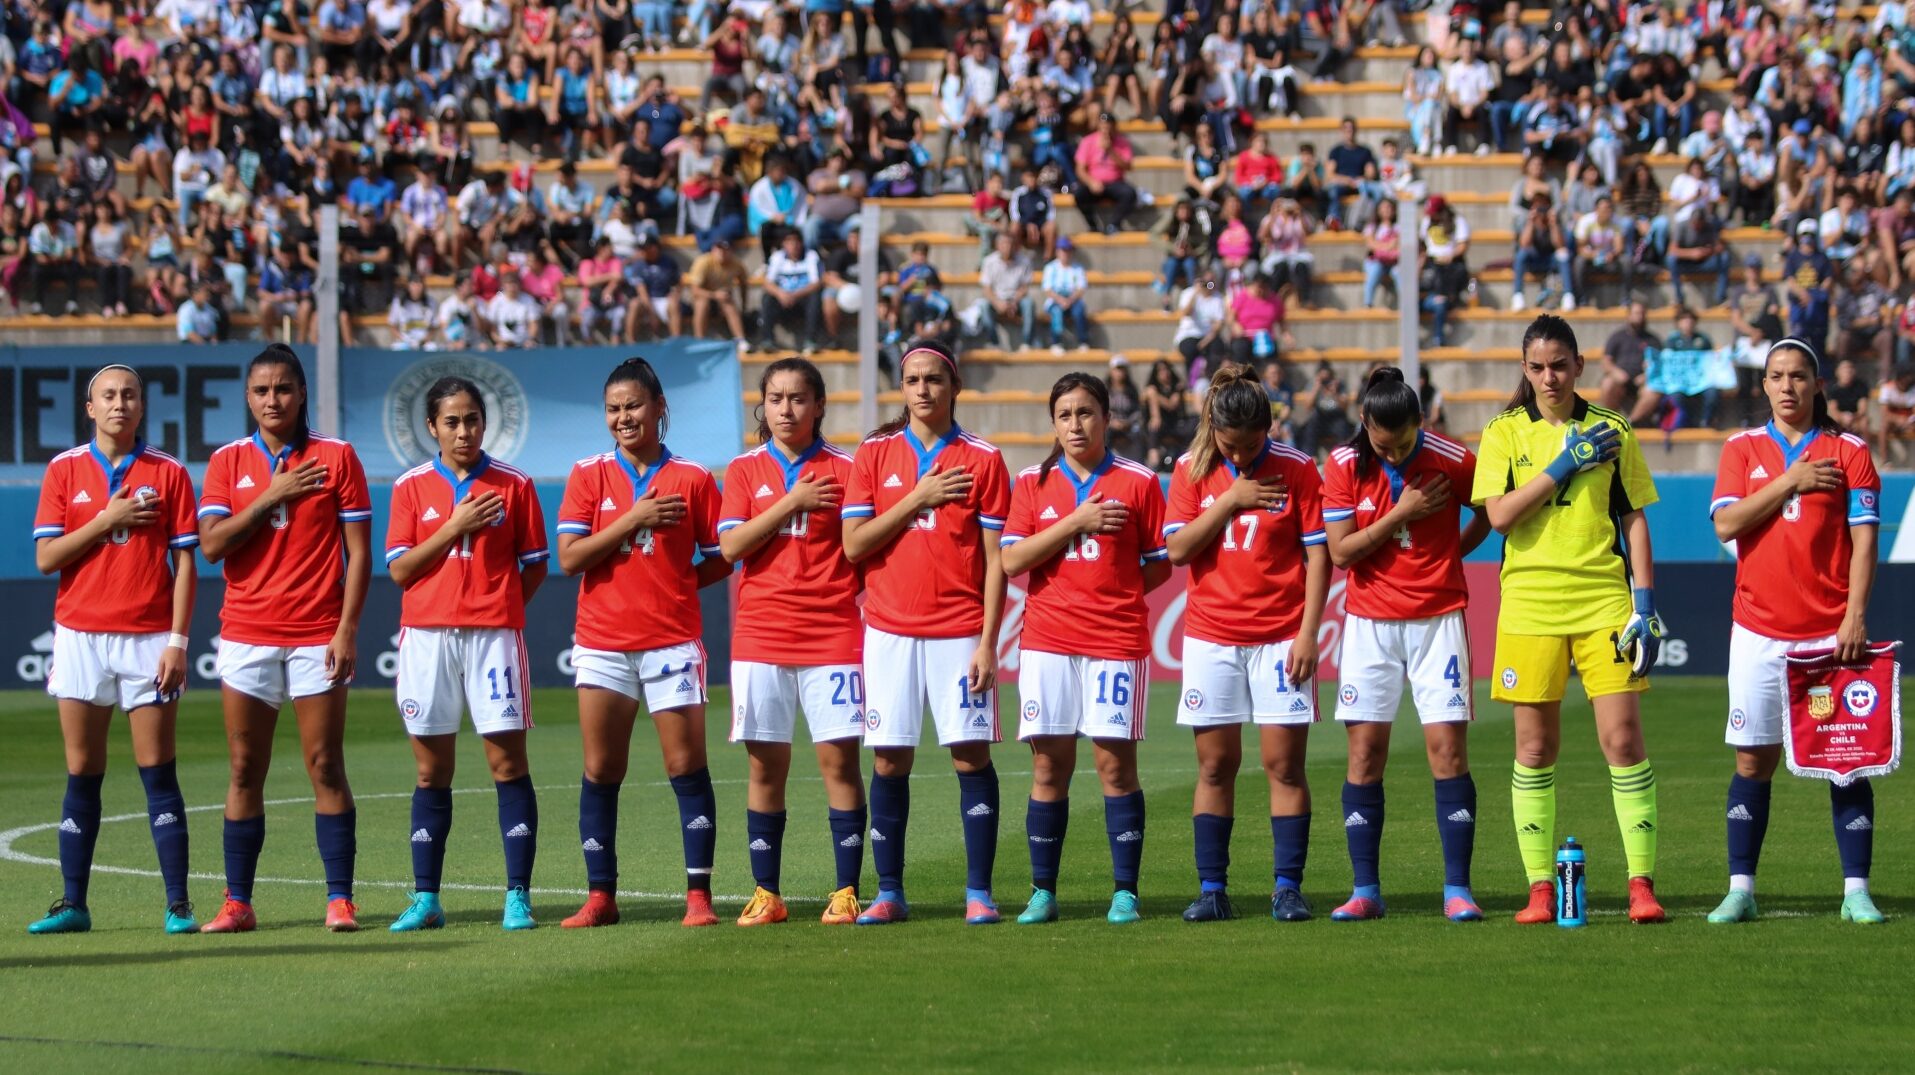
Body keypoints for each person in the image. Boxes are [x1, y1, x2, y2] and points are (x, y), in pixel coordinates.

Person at [1472, 315, 1666, 926]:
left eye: (1560, 365)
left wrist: (1645, 603)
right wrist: (1562, 465)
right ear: (1524, 371)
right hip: (1529, 604)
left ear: (1580, 365)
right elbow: (1499, 517)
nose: (1549, 377)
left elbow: (1633, 518)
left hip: (1603, 602)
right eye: (1537, 367)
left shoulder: (1613, 429)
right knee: (1535, 747)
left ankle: (1641, 885)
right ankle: (1538, 889)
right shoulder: (1503, 432)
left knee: (1623, 740)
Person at [1706, 338, 1885, 926]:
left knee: (1847, 761)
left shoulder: (1850, 450)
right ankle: (1741, 889)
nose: (1788, 387)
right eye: (1777, 377)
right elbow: (1727, 524)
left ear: (1817, 384)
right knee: (1753, 762)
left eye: (1799, 377)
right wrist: (1791, 481)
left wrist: (1854, 614)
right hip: (1758, 631)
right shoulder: (1741, 449)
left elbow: (1864, 541)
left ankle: (1856, 891)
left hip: (1828, 636)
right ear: (1763, 386)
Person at [195, 347, 373, 934]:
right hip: (246, 634)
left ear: (302, 394)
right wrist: (272, 494)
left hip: (317, 633)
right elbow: (213, 546)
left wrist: (347, 629)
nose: (273, 400)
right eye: (262, 391)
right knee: (245, 767)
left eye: (284, 389)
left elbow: (359, 553)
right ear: (248, 398)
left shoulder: (338, 456)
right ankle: (238, 903)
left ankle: (340, 898)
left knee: (324, 764)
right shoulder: (227, 462)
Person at [840, 339, 1011, 926]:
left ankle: (979, 892)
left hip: (960, 632)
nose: (922, 389)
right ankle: (889, 891)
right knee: (889, 761)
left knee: (970, 755)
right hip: (888, 632)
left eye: (934, 379)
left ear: (954, 385)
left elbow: (996, 562)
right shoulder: (874, 455)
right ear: (902, 387)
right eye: (913, 379)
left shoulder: (985, 459)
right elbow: (855, 546)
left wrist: (989, 641)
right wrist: (918, 497)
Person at [555, 359, 730, 930]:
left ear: (659, 407)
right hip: (603, 642)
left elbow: (721, 555)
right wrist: (635, 519)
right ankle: (601, 896)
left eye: (633, 406)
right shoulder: (588, 475)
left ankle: (698, 897)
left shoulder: (695, 478)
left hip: (671, 641)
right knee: (601, 768)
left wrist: (679, 583)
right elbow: (571, 558)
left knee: (685, 765)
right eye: (613, 409)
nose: (623, 417)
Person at [27, 366, 200, 935]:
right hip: (80, 636)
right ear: (90, 407)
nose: (119, 404)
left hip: (149, 638)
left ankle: (178, 905)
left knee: (158, 771)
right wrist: (107, 520)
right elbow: (48, 559)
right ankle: (74, 904)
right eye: (109, 396)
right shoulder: (64, 469)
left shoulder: (169, 472)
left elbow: (184, 564)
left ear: (142, 407)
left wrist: (177, 641)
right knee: (83, 770)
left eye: (129, 395)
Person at [1322, 367, 1492, 923]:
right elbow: (1342, 554)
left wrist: (1451, 555)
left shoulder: (1452, 457)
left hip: (1438, 621)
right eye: (1379, 441)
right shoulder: (1344, 465)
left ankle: (1458, 888)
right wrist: (1403, 512)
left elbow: (1490, 512)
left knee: (1448, 753)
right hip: (1368, 624)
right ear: (1364, 423)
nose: (1390, 453)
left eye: (1401, 442)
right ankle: (1365, 889)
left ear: (1421, 422)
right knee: (1364, 756)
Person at [1000, 373, 1171, 925]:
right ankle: (1043, 893)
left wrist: (1115, 594)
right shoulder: (1031, 482)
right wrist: (1077, 520)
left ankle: (1125, 892)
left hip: (1116, 642)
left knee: (1114, 766)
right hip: (1047, 642)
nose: (1076, 424)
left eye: (1086, 413)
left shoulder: (1140, 481)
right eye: (1065, 415)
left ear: (1106, 417)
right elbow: (1012, 561)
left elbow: (1159, 561)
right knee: (1049, 766)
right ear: (1054, 423)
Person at [384, 377, 550, 932]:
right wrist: (454, 526)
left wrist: (496, 606)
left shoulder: (516, 485)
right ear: (432, 427)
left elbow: (535, 565)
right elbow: (401, 570)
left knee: (507, 764)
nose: (463, 430)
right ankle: (426, 897)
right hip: (426, 639)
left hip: (493, 638)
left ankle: (518, 896)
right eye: (451, 421)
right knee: (432, 772)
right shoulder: (410, 487)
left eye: (472, 419)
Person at [1166, 366, 1329, 923]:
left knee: (1283, 765)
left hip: (1282, 636)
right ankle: (1212, 889)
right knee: (1215, 766)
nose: (1239, 455)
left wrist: (1308, 632)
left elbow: (1317, 556)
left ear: (1269, 428)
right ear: (1211, 425)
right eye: (1229, 444)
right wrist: (1231, 499)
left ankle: (1287, 887)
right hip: (1212, 638)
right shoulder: (1190, 469)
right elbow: (1179, 551)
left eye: (1251, 445)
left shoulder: (1299, 469)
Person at [719, 358, 868, 927]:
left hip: (831, 635)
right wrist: (789, 502)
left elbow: (859, 551)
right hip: (760, 637)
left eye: (798, 398)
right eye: (775, 398)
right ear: (764, 404)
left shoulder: (848, 470)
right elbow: (732, 549)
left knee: (839, 764)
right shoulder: (743, 471)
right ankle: (767, 893)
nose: (786, 409)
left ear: (820, 405)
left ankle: (847, 889)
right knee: (765, 770)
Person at [1042, 236, 1090, 352]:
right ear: (1057, 251)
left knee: (1079, 311)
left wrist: (1069, 300)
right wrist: (1061, 300)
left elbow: (1081, 288)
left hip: (1072, 300)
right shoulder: (1050, 267)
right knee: (1056, 312)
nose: (1066, 253)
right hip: (1055, 301)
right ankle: (1056, 342)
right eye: (1063, 250)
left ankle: (1083, 341)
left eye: (1068, 250)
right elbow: (1047, 290)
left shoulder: (1078, 268)